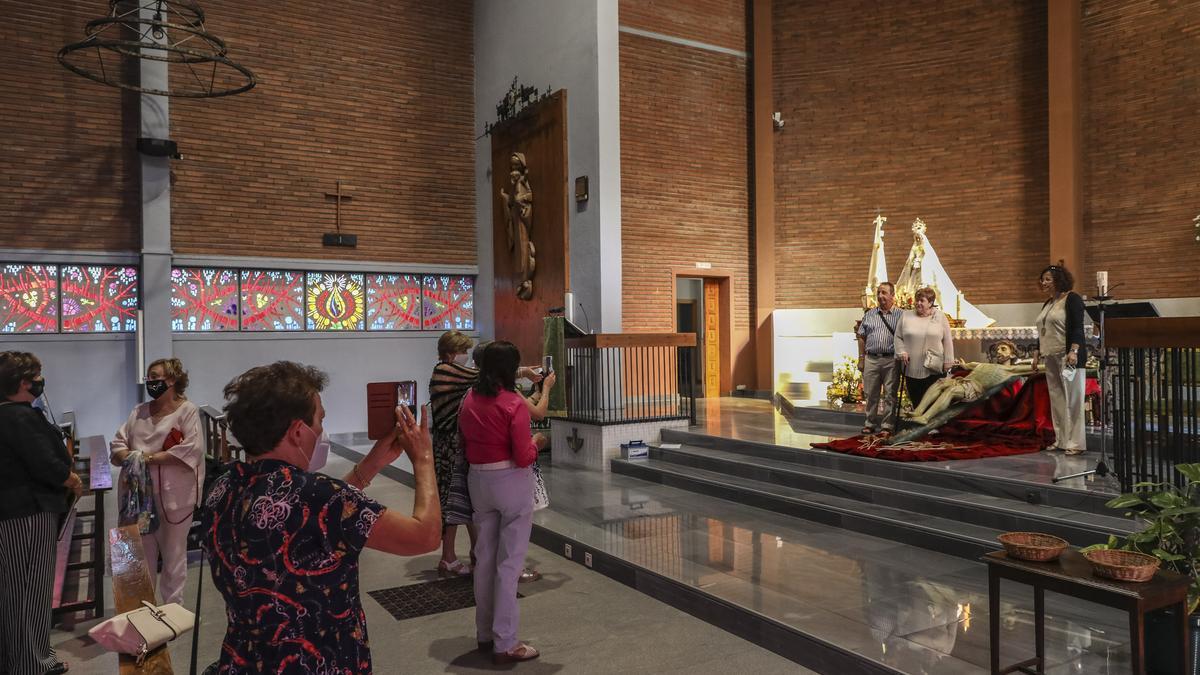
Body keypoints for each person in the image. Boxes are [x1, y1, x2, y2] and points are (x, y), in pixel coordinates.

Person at [201, 361, 440, 673]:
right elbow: (424, 536)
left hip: (246, 658)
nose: (321, 432)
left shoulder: (225, 486)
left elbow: (307, 519)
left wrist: (370, 465)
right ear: (298, 431)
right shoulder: (318, 495)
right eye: (319, 421)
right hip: (317, 661)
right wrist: (423, 459)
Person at [460, 342, 548, 664]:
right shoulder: (513, 403)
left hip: (478, 481)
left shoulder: (469, 399)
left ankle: (484, 634)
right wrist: (537, 443)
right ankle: (506, 642)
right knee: (509, 564)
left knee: (484, 559)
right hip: (510, 482)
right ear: (510, 369)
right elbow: (523, 457)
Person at [0, 351, 78, 675]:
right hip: (27, 513)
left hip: (14, 513)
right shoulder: (18, 416)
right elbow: (48, 463)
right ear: (22, 382)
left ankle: (16, 659)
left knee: (14, 589)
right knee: (30, 588)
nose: (39, 382)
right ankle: (32, 663)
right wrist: (70, 478)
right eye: (36, 376)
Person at [109, 357, 203, 605]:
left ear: (171, 380)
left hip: (174, 497)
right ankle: (143, 610)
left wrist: (145, 457)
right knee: (140, 555)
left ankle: (173, 609)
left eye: (155, 376)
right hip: (138, 496)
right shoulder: (138, 411)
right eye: (149, 377)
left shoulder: (187, 411)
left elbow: (191, 450)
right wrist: (129, 456)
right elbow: (119, 442)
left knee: (173, 556)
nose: (150, 382)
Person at [429, 329, 480, 577]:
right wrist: (521, 371)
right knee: (451, 501)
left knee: (467, 500)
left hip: (456, 443)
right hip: (448, 446)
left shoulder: (450, 371)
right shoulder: (445, 370)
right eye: (463, 351)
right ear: (450, 353)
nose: (465, 356)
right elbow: (482, 376)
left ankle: (477, 552)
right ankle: (448, 557)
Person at [1033, 264, 1088, 455]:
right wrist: (1036, 352)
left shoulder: (1072, 299)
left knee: (1073, 400)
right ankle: (1061, 440)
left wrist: (1074, 351)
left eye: (1048, 279)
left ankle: (1076, 443)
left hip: (1068, 357)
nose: (1044, 282)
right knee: (1057, 399)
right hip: (1050, 356)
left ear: (1059, 280)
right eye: (1043, 279)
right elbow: (1042, 330)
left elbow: (1077, 328)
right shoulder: (1048, 303)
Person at [908, 360, 1036, 425]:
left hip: (973, 388)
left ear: (1012, 354)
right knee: (940, 382)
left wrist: (1053, 364)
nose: (999, 351)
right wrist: (961, 364)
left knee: (951, 391)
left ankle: (925, 418)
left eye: (1003, 349)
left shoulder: (1010, 369)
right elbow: (966, 366)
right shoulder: (980, 364)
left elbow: (1036, 368)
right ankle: (918, 411)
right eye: (997, 348)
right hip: (962, 381)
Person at [895, 287, 955, 410]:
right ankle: (920, 424)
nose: (918, 303)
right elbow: (898, 337)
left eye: (922, 300)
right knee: (916, 397)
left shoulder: (940, 316)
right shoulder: (906, 316)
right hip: (912, 365)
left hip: (934, 366)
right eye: (917, 300)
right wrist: (901, 351)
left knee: (933, 398)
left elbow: (947, 339)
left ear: (931, 303)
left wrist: (948, 360)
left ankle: (932, 426)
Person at [857, 282, 903, 436]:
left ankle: (887, 426)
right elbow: (861, 336)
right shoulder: (869, 314)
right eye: (878, 293)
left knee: (890, 394)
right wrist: (861, 358)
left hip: (891, 360)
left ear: (892, 296)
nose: (880, 296)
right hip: (871, 359)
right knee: (870, 394)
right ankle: (870, 423)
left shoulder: (901, 315)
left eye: (884, 293)